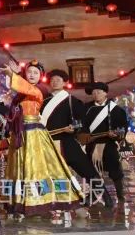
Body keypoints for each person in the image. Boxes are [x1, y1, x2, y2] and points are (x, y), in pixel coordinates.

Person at [0, 60, 82, 215]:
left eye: (36, 73)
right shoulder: (21, 94)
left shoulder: (38, 90)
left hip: (33, 134)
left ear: (40, 77)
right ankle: (18, 200)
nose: (32, 75)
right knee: (17, 167)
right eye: (29, 72)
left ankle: (39, 199)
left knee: (35, 167)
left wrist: (12, 74)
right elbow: (20, 89)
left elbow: (25, 87)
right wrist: (16, 74)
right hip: (20, 133)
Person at [41, 69, 100, 198]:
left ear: (65, 83)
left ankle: (103, 196)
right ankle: (59, 199)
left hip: (67, 141)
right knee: (53, 173)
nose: (55, 82)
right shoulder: (43, 102)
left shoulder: (72, 101)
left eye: (58, 80)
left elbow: (81, 120)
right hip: (48, 142)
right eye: (52, 80)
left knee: (85, 169)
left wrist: (75, 128)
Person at [82, 82, 127, 206]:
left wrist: (116, 135)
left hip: (109, 144)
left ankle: (120, 195)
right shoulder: (86, 109)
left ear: (105, 93)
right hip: (92, 145)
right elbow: (82, 127)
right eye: (94, 92)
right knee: (91, 171)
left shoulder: (116, 110)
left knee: (115, 170)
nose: (96, 94)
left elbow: (122, 128)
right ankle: (92, 195)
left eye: (99, 92)